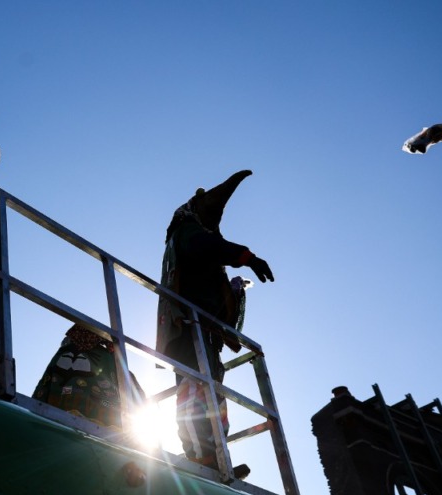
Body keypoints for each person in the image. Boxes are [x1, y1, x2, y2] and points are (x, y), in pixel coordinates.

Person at [155, 170, 273, 471]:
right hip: (188, 329)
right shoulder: (186, 232)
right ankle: (199, 454)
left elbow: (216, 289)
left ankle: (218, 454)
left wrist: (233, 291)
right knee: (194, 392)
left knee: (214, 395)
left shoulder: (205, 244)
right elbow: (205, 247)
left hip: (207, 333)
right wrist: (246, 256)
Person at [32, 324, 144, 430]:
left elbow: (43, 389)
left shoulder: (63, 353)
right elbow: (139, 399)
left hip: (57, 422)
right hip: (112, 430)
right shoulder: (113, 361)